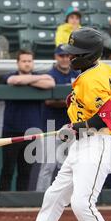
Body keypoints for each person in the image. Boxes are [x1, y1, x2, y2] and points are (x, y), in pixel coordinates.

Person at [0, 27, 111, 221]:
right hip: (83, 143)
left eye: (75, 53)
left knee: (82, 203)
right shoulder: (101, 70)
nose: (70, 57)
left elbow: (108, 118)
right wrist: (75, 126)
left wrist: (78, 127)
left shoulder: (95, 77)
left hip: (99, 143)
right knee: (54, 196)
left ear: (88, 55)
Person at [0, 50, 55, 191]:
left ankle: (20, 202)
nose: (27, 63)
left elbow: (51, 83)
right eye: (24, 61)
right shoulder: (10, 75)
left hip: (32, 132)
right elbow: (15, 80)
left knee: (25, 171)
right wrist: (37, 79)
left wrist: (29, 80)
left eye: (29, 61)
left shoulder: (38, 76)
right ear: (18, 63)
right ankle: (3, 202)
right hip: (11, 131)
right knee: (8, 169)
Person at [36, 45, 80, 192]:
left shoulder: (76, 74)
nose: (65, 59)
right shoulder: (50, 75)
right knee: (48, 166)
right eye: (62, 56)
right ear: (56, 57)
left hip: (70, 126)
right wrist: (71, 101)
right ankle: (40, 197)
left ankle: (66, 197)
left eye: (68, 56)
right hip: (51, 126)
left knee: (68, 166)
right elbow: (49, 101)